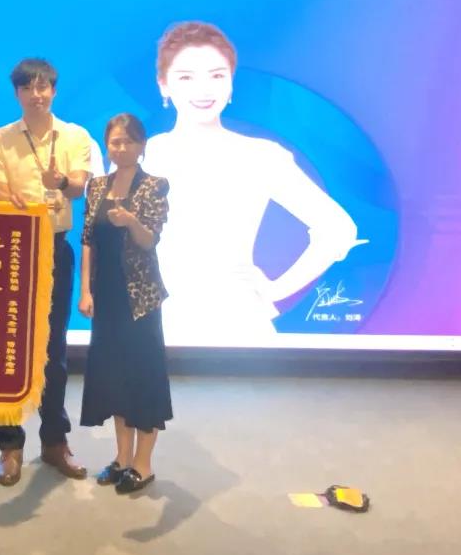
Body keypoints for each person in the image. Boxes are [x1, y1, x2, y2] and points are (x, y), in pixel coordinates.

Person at [142, 21, 361, 346]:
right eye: (186, 77)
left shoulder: (261, 156)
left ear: (231, 82)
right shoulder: (146, 154)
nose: (203, 90)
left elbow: (338, 229)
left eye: (217, 76)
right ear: (164, 85)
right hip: (156, 320)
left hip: (237, 321)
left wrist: (276, 289)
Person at [0, 58, 92, 485]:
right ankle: (9, 446)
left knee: (54, 351)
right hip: (12, 250)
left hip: (55, 247)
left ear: (54, 90)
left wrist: (59, 183)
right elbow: (0, 192)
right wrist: (11, 203)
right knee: (8, 348)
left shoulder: (75, 135)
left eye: (43, 86)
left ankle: (54, 442)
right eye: (28, 88)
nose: (36, 94)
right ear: (17, 94)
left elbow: (79, 186)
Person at [79, 113, 172, 494]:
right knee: (115, 377)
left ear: (142, 145)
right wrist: (85, 291)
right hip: (107, 296)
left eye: (129, 141)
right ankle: (121, 458)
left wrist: (132, 221)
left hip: (140, 298)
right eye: (115, 142)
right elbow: (88, 240)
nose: (121, 148)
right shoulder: (96, 186)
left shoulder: (155, 185)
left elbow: (150, 240)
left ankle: (143, 464)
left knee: (142, 376)